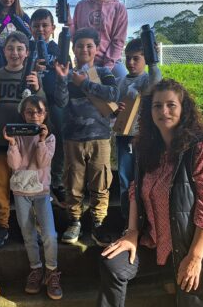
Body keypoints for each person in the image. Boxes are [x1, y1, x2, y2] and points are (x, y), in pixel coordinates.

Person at [98, 79, 203, 306]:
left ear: (183, 108)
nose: (164, 111)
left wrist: (195, 257)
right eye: (157, 106)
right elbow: (134, 190)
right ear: (149, 112)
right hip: (156, 243)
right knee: (112, 263)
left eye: (171, 105)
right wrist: (131, 233)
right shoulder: (147, 149)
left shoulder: (202, 149)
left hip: (197, 246)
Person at [0, 31, 45, 249]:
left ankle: (32, 227)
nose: (14, 52)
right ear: (3, 51)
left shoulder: (32, 76)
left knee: (28, 186)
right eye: (10, 48)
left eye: (19, 48)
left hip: (25, 142)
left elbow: (42, 108)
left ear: (26, 52)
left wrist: (38, 89)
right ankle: (1, 226)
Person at [54, 27, 119, 247]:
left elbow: (113, 94)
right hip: (72, 138)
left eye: (89, 45)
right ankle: (74, 221)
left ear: (97, 48)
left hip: (100, 137)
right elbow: (61, 102)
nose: (84, 49)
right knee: (73, 182)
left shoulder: (104, 72)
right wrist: (64, 80)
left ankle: (98, 223)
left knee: (100, 181)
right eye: (80, 45)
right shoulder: (66, 73)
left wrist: (85, 83)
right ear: (73, 49)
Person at [4, 95, 62, 300]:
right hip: (21, 191)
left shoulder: (51, 137)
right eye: (29, 112)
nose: (35, 116)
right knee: (28, 232)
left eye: (39, 111)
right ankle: (36, 269)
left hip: (41, 191)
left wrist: (41, 141)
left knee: (49, 234)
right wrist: (12, 143)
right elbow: (15, 164)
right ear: (23, 114)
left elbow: (42, 162)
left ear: (45, 114)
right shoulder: (18, 135)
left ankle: (51, 271)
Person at [115, 38, 161, 220]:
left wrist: (153, 60)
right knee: (125, 180)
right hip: (124, 137)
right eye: (128, 58)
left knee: (144, 179)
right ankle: (129, 221)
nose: (131, 63)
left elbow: (156, 79)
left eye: (136, 58)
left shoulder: (147, 79)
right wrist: (115, 109)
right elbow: (114, 109)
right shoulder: (121, 81)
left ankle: (146, 220)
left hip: (143, 138)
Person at [28, 8, 66, 207]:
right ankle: (33, 177)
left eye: (45, 25)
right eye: (36, 26)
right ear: (30, 28)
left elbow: (64, 72)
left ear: (53, 28)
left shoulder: (57, 49)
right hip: (33, 101)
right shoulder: (27, 47)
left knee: (57, 137)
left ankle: (57, 179)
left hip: (53, 100)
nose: (40, 29)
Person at [65, 0, 128, 78]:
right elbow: (75, 37)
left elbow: (118, 41)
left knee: (124, 84)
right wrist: (69, 22)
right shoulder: (81, 5)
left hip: (111, 62)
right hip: (86, 61)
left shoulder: (119, 8)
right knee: (92, 88)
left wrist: (106, 68)